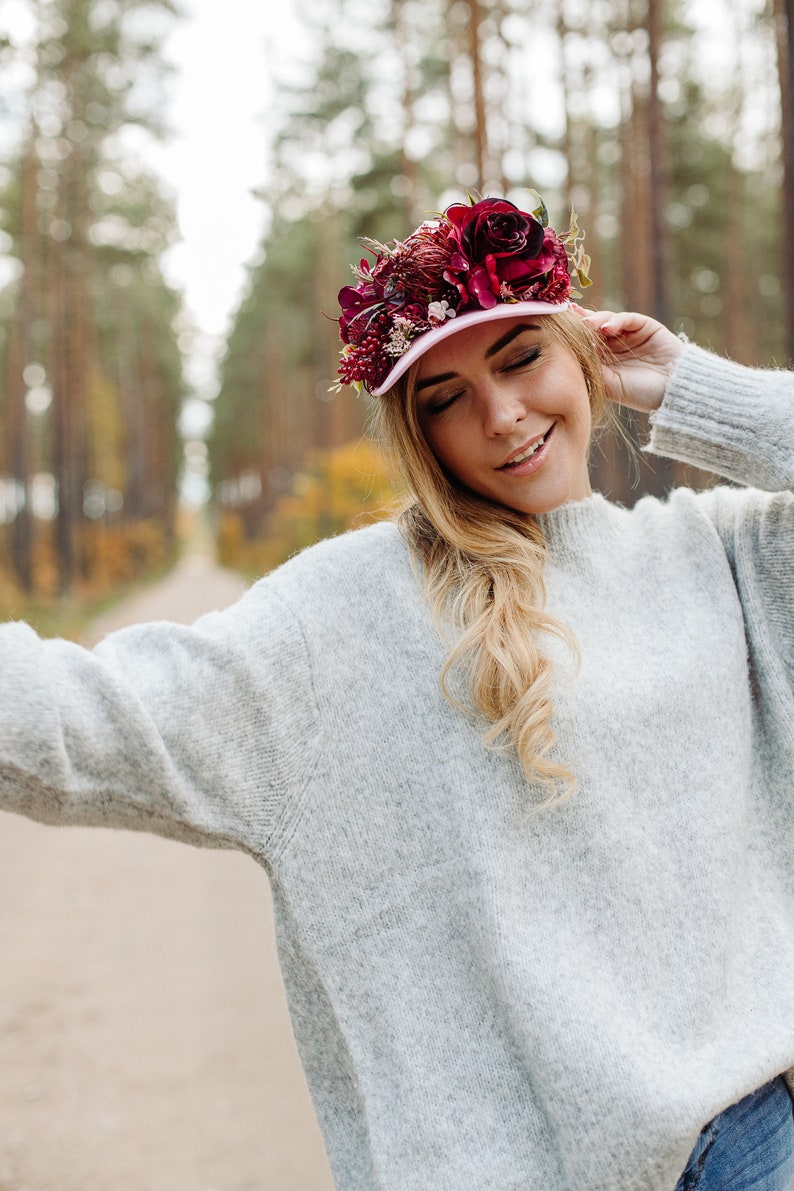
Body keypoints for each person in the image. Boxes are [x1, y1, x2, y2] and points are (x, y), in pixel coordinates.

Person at [1, 191, 793, 1191]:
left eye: (519, 358)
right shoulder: (343, 613)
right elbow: (83, 718)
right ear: (417, 437)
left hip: (752, 1154)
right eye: (444, 397)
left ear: (580, 351)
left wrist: (687, 384)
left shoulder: (723, 561)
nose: (500, 416)